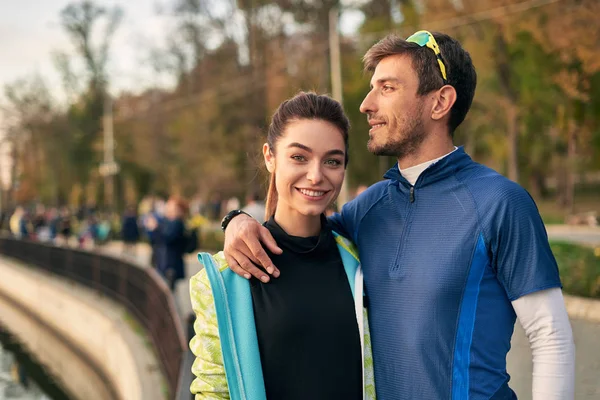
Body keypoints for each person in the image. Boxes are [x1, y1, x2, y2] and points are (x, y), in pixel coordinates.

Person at [221, 32, 575, 399]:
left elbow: (551, 337)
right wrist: (237, 221)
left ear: (440, 102)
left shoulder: (500, 202)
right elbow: (299, 231)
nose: (366, 104)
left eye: (387, 88)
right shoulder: (366, 209)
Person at [189, 92, 375, 399]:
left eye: (332, 161)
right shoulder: (225, 278)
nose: (315, 176)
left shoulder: (361, 259)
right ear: (270, 156)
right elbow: (213, 391)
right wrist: (234, 219)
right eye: (299, 157)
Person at [146, 196, 188, 291]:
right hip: (162, 262)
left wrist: (155, 228)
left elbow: (168, 239)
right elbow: (155, 239)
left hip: (170, 264)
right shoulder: (166, 222)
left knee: (168, 293)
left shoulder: (177, 223)